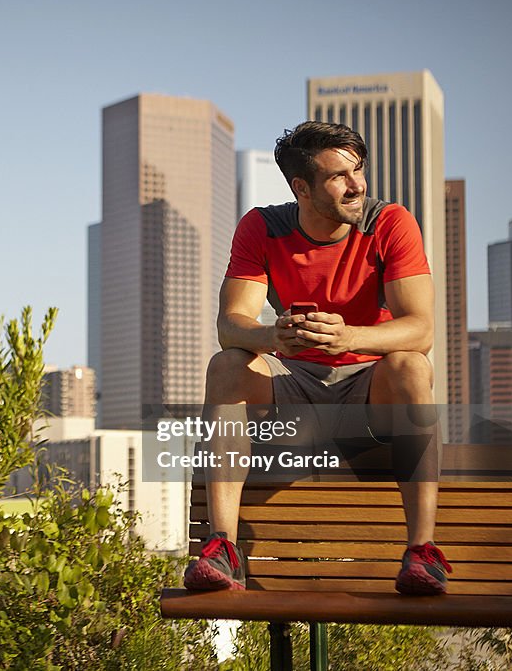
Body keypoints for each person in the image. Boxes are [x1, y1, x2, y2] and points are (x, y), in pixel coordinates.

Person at [183, 121, 451, 596]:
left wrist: (350, 335)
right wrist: (273, 336)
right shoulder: (262, 227)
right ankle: (222, 546)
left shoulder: (389, 222)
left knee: (412, 364)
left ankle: (423, 552)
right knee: (226, 366)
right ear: (301, 187)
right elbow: (230, 325)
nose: (358, 185)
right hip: (296, 390)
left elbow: (422, 329)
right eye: (340, 176)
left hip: (369, 389)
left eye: (359, 170)